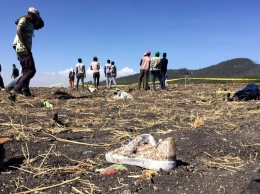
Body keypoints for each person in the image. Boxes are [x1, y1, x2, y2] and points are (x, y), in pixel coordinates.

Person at [11, 7, 44, 97]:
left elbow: (41, 25)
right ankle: (16, 89)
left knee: (26, 71)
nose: (36, 20)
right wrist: (25, 47)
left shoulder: (31, 23)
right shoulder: (24, 20)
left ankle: (25, 91)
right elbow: (19, 32)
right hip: (22, 48)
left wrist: (38, 19)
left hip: (24, 49)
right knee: (31, 71)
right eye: (36, 17)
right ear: (32, 15)